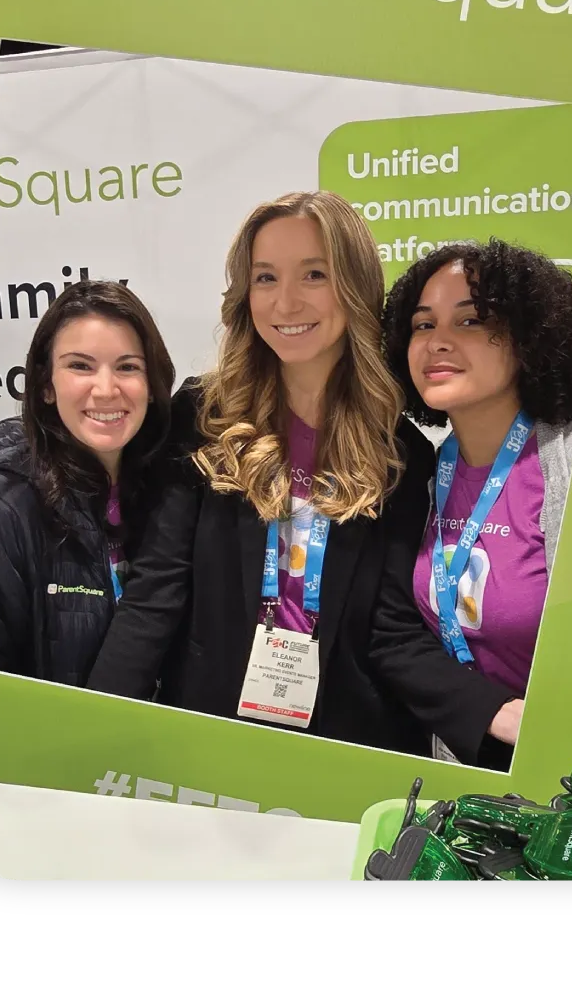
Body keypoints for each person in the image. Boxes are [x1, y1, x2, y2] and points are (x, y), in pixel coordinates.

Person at [88, 191, 437, 755]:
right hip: (212, 732)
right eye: (265, 278)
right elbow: (156, 591)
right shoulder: (203, 417)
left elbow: (393, 632)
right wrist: (92, 730)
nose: (286, 302)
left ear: (355, 285)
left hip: (351, 744)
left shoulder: (402, 451)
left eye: (314, 274)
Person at [369, 239, 572, 788]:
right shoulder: (427, 468)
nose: (438, 341)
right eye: (422, 325)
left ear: (529, 336)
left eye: (471, 320)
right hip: (472, 783)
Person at [0, 280, 175, 687]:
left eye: (127, 367)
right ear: (47, 385)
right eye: (80, 366)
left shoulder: (170, 497)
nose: (106, 390)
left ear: (152, 386)